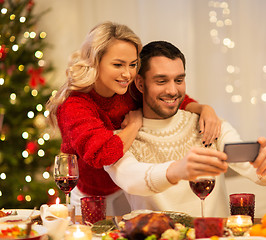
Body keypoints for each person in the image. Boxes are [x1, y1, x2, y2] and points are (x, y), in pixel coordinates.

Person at [46, 22, 222, 216]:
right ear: (95, 61)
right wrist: (135, 125)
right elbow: (102, 155)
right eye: (118, 64)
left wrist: (204, 109)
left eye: (132, 65)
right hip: (92, 195)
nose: (127, 74)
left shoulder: (128, 87)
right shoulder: (74, 105)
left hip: (125, 188)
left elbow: (168, 98)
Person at [104, 41, 266, 217]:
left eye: (179, 80)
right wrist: (177, 170)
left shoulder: (209, 124)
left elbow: (253, 169)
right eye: (161, 81)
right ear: (140, 84)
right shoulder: (120, 140)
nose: (173, 90)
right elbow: (132, 180)